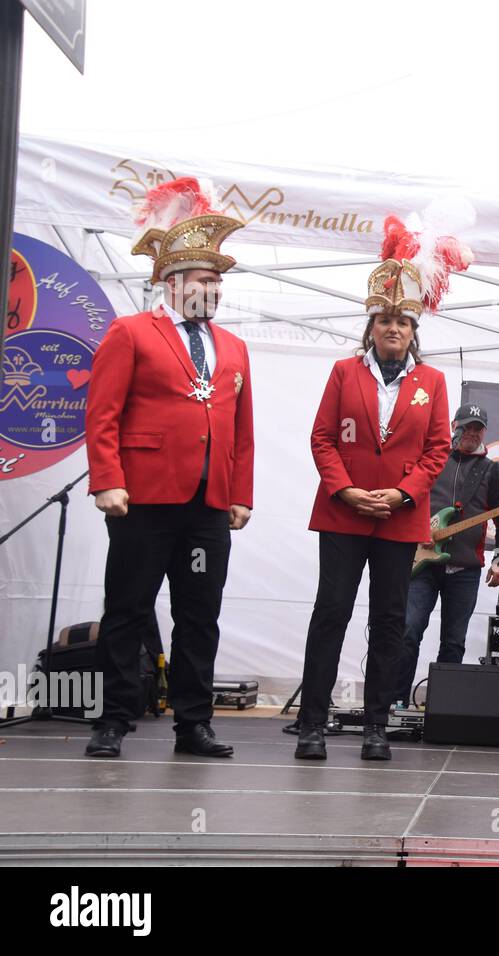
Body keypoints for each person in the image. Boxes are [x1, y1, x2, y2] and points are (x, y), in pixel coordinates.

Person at [84, 177, 253, 759]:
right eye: (207, 281)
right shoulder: (131, 332)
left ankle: (193, 723)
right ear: (173, 283)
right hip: (144, 500)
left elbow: (242, 430)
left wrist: (241, 494)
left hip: (207, 505)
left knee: (199, 614)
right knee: (129, 607)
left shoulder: (232, 347)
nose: (217, 291)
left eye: (220, 283)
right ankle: (113, 719)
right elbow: (102, 413)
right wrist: (106, 479)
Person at [293, 215, 461, 761]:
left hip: (399, 517)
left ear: (414, 331)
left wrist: (402, 494)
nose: (394, 329)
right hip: (343, 515)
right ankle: (313, 724)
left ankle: (375, 727)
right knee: (332, 612)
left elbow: (438, 449)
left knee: (389, 621)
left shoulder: (431, 382)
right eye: (385, 320)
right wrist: (346, 491)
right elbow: (322, 438)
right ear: (371, 326)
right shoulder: (344, 372)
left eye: (403, 323)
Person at [395, 403, 499, 703]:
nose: (471, 432)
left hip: (465, 569)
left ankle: (442, 708)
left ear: (484, 432)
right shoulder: (432, 461)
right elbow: (406, 500)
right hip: (420, 565)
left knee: (453, 642)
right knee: (408, 631)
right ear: (453, 426)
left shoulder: (492, 471)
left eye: (478, 428)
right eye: (466, 426)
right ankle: (393, 702)